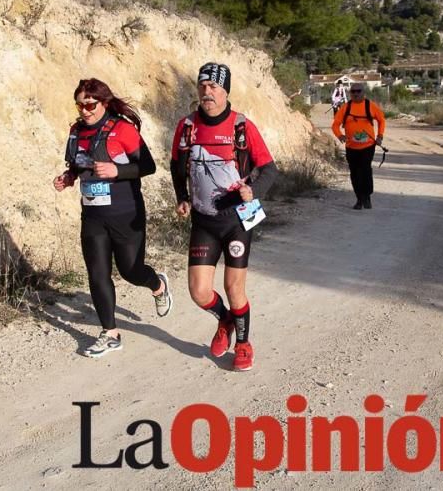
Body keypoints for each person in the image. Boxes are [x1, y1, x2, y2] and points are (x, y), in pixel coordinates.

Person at [53, 78, 172, 358]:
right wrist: (68, 178)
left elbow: (148, 166)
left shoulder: (122, 129)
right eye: (79, 105)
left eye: (90, 104)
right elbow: (77, 165)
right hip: (93, 214)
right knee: (97, 273)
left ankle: (158, 285)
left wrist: (118, 171)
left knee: (131, 270)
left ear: (104, 103)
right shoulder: (76, 131)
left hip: (125, 212)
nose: (84, 110)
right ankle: (110, 333)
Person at [170, 63, 278, 371]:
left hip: (238, 218)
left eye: (214, 87)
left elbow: (270, 169)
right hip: (204, 219)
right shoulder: (187, 126)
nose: (207, 92)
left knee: (234, 287)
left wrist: (253, 191)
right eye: (203, 86)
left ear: (225, 91)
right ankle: (226, 319)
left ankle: (243, 344)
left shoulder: (241, 126)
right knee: (199, 291)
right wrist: (182, 196)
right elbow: (176, 164)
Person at [332, 83, 386, 210]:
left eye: (358, 91)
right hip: (351, 147)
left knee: (365, 170)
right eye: (353, 91)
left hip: (368, 146)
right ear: (350, 93)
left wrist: (380, 136)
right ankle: (359, 198)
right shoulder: (346, 108)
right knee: (355, 174)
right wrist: (340, 135)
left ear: (363, 92)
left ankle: (366, 197)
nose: (356, 94)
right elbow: (335, 125)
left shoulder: (370, 106)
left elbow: (381, 120)